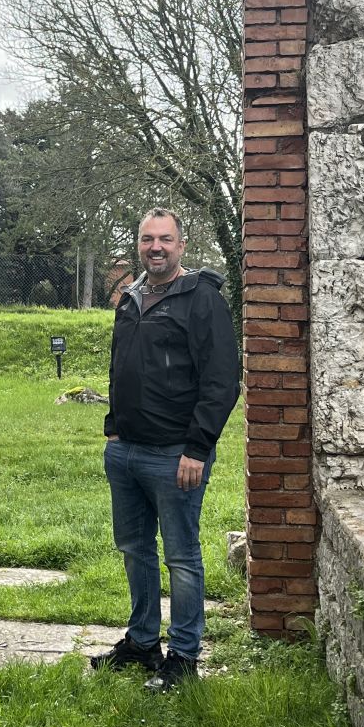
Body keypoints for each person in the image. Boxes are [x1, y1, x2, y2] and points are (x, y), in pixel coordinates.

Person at [90, 208, 240, 692]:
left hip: (177, 455)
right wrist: (113, 428)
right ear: (139, 244)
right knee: (135, 551)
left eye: (166, 239)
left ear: (182, 245)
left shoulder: (202, 299)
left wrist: (198, 448)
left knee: (181, 556)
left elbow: (222, 382)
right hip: (126, 451)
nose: (156, 247)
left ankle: (184, 654)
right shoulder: (130, 298)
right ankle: (141, 641)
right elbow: (120, 367)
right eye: (148, 239)